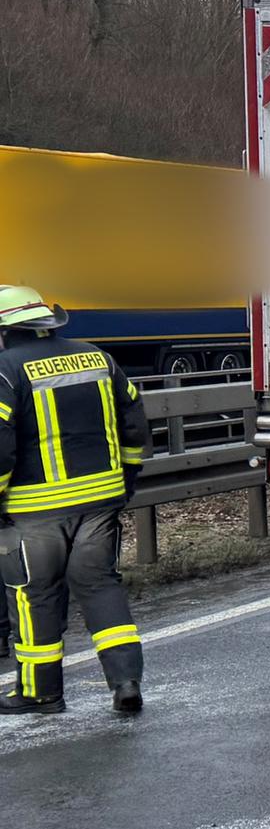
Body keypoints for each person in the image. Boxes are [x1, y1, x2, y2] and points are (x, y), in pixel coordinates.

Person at [0, 286, 149, 717]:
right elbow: (135, 422)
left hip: (34, 510)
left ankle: (40, 692)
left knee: (35, 594)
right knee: (100, 585)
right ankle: (125, 683)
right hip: (101, 500)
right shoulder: (97, 357)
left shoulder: (5, 370)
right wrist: (127, 478)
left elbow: (1, 447)